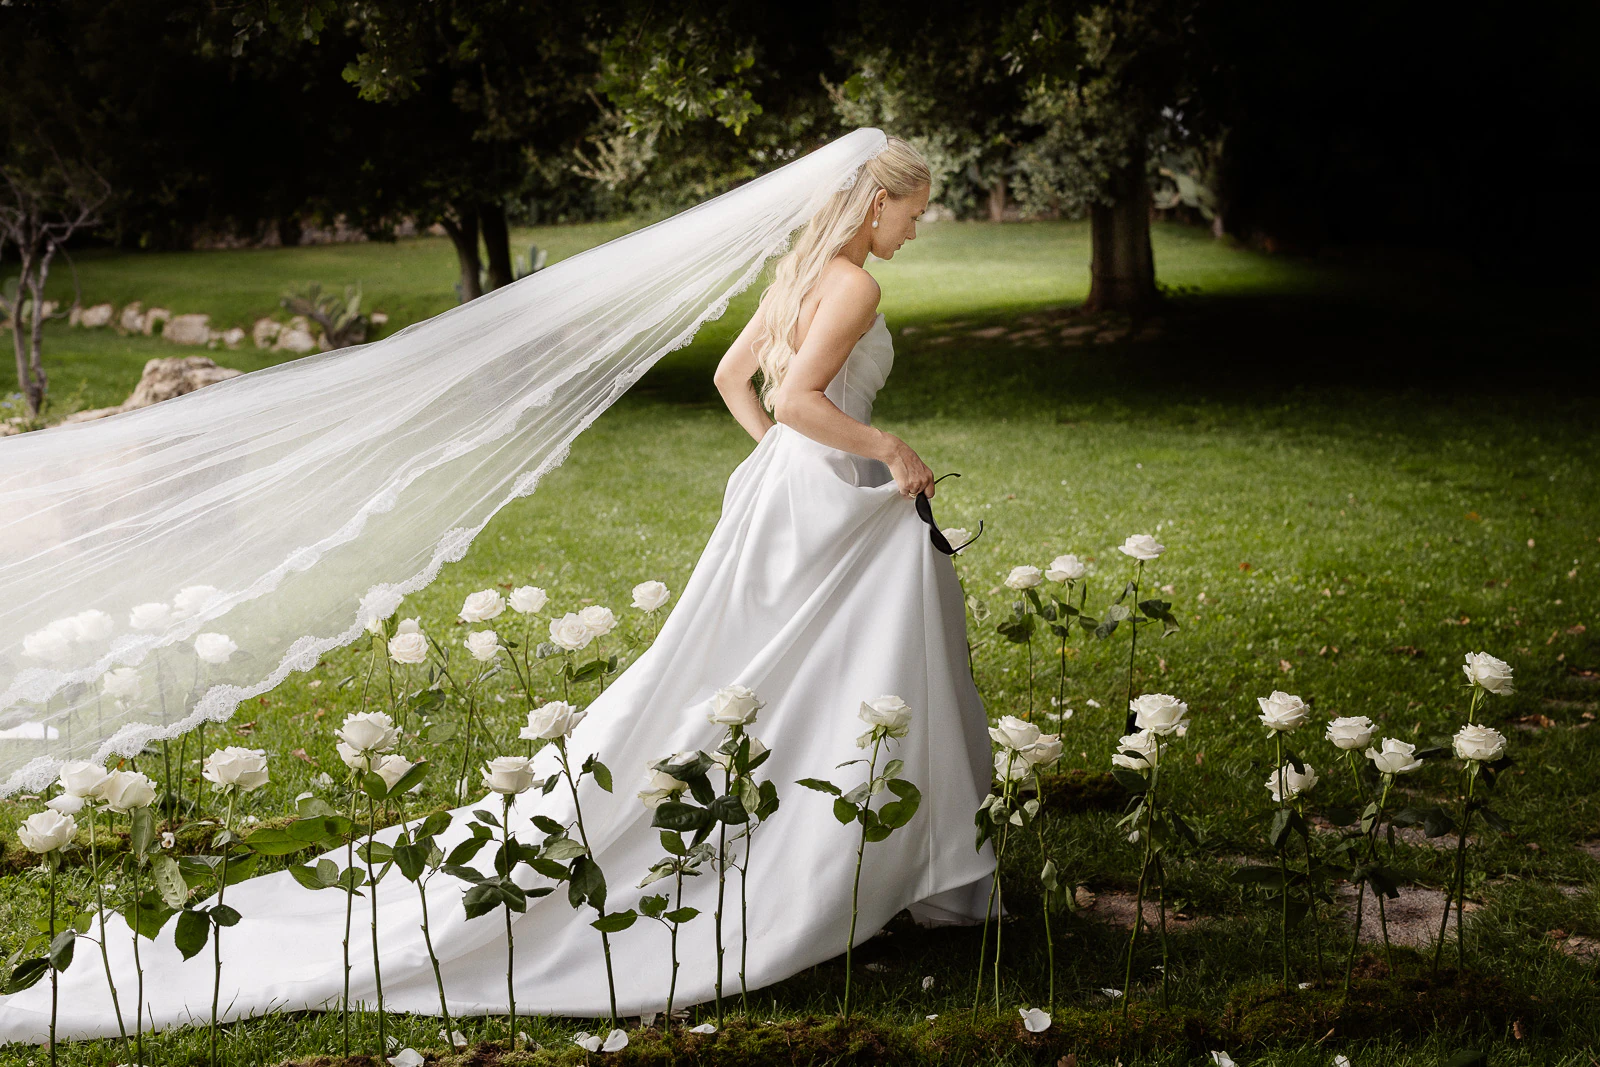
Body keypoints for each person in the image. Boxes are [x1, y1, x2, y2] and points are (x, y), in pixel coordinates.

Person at [0, 135, 994, 1041]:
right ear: (874, 203)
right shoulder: (852, 289)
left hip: (788, 490)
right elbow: (807, 400)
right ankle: (889, 860)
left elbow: (744, 385)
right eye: (914, 208)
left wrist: (786, 462)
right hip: (822, 487)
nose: (918, 222)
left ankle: (873, 849)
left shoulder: (800, 277)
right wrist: (885, 449)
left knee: (770, 667)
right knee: (830, 664)